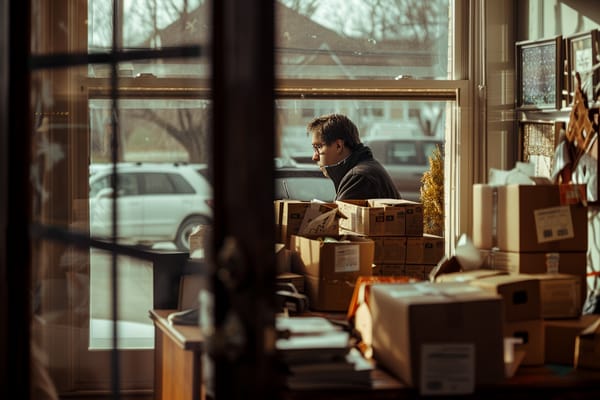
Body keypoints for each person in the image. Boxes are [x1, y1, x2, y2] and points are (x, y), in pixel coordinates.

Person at [307, 113, 401, 200]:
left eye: (318, 147)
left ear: (339, 146)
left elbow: (343, 218)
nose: (314, 157)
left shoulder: (359, 178)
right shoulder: (364, 170)